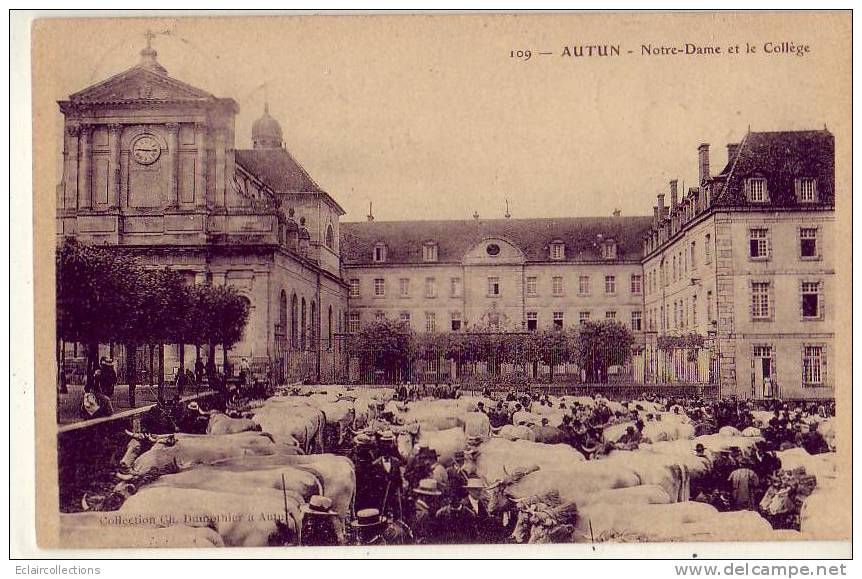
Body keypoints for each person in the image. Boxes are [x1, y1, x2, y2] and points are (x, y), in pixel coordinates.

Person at [411, 478, 444, 544]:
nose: (435, 500)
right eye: (433, 497)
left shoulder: (415, 506)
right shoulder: (424, 513)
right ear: (426, 497)